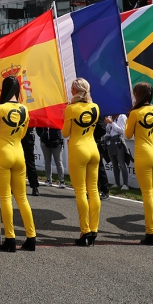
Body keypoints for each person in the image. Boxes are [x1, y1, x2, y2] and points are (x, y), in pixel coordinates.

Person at [0, 76, 37, 252]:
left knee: (6, 197)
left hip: (2, 153)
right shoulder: (25, 109)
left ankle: (10, 238)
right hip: (19, 153)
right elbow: (23, 135)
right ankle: (31, 237)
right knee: (22, 198)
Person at [62, 79, 102, 246]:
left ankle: (84, 231)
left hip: (78, 150)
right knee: (93, 190)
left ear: (73, 91)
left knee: (81, 192)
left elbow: (65, 133)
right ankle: (94, 229)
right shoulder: (95, 107)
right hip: (93, 149)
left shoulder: (70, 109)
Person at [125, 82, 153, 246]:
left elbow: (127, 135)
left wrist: (131, 119)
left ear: (138, 95)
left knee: (148, 194)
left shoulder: (135, 112)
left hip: (144, 153)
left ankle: (150, 232)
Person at [105, 113, 130, 188]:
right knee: (114, 164)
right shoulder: (109, 116)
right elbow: (107, 131)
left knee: (122, 164)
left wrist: (112, 123)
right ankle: (117, 183)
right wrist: (107, 124)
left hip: (118, 142)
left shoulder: (122, 116)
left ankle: (125, 184)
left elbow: (122, 131)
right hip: (110, 142)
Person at [94, 115, 110, 199]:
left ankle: (105, 190)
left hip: (96, 143)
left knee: (100, 168)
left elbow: (102, 130)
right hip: (86, 143)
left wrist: (91, 135)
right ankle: (92, 190)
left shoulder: (96, 112)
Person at [21, 125, 41, 197]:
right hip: (16, 138)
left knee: (30, 163)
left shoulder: (30, 114)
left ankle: (35, 187)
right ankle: (14, 186)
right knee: (16, 164)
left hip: (28, 138)